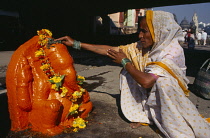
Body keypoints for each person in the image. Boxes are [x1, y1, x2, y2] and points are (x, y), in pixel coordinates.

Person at [55, 10, 210, 138]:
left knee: (160, 81)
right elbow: (111, 50)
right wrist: (76, 44)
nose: (139, 36)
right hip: (153, 92)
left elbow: (147, 82)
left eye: (144, 31)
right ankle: (146, 114)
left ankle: (174, 127)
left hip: (172, 97)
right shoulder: (144, 46)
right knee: (128, 73)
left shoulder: (172, 50)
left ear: (159, 30)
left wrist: (125, 62)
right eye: (139, 31)